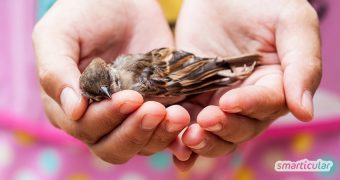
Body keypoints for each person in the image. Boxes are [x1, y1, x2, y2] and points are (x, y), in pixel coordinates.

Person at [32, 0, 321, 174]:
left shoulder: (136, 80)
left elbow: (178, 74)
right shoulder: (112, 87)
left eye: (108, 88)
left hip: (297, 142)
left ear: (110, 74)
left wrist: (215, 72)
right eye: (99, 96)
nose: (108, 96)